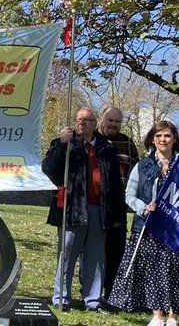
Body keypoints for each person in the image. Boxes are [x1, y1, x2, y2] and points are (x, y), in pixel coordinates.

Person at [109, 120, 179, 326]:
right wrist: (144, 208)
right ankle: (156, 316)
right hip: (149, 228)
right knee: (153, 272)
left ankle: (173, 317)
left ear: (175, 139)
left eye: (168, 136)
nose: (163, 140)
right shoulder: (142, 165)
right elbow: (129, 194)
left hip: (178, 229)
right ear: (153, 139)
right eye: (159, 136)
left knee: (177, 272)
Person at [42, 106, 125, 313]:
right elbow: (49, 171)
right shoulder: (65, 144)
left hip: (100, 209)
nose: (81, 123)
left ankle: (93, 300)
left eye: (86, 120)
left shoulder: (105, 149)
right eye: (78, 119)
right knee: (67, 254)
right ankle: (61, 298)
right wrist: (62, 145)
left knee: (96, 257)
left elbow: (115, 184)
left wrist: (115, 214)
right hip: (73, 208)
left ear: (95, 123)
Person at [98, 106, 138, 293]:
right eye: (110, 120)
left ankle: (111, 291)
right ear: (101, 119)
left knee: (116, 251)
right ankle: (91, 292)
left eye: (117, 122)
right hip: (95, 204)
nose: (113, 124)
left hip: (119, 206)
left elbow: (136, 174)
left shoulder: (128, 144)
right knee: (95, 252)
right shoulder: (93, 140)